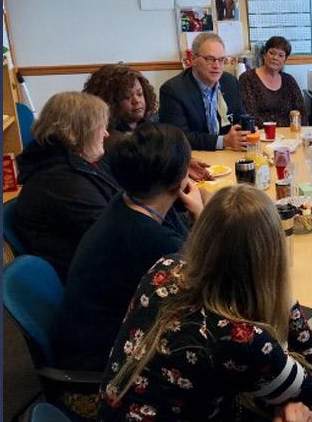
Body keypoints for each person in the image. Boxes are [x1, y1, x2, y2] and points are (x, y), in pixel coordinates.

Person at [97, 184, 312, 422]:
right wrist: (285, 296)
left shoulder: (164, 270)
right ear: (271, 257)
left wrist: (277, 398)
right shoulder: (240, 337)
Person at [53, 123, 206, 372]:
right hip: (106, 364)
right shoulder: (151, 239)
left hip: (93, 337)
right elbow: (208, 278)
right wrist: (201, 214)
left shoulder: (128, 201)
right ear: (177, 181)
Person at [12, 91, 118, 282]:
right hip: (95, 280)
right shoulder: (60, 182)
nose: (106, 133)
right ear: (81, 130)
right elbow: (115, 236)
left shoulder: (74, 162)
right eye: (101, 126)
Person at [83, 63, 213, 181]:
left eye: (139, 94)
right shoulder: (111, 139)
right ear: (109, 102)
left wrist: (184, 163)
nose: (136, 101)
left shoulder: (147, 125)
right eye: (126, 97)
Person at [159, 32, 248, 151]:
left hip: (227, 155)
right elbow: (178, 138)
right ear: (193, 59)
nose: (217, 66)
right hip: (194, 159)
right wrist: (223, 141)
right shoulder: (172, 91)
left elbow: (239, 118)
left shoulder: (230, 82)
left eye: (221, 60)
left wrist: (248, 130)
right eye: (210, 59)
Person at [239, 36, 307, 128]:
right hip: (261, 134)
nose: (275, 58)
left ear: (285, 60)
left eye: (280, 55)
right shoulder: (247, 78)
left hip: (289, 135)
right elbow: (250, 115)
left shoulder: (289, 80)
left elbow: (301, 113)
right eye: (272, 53)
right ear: (264, 54)